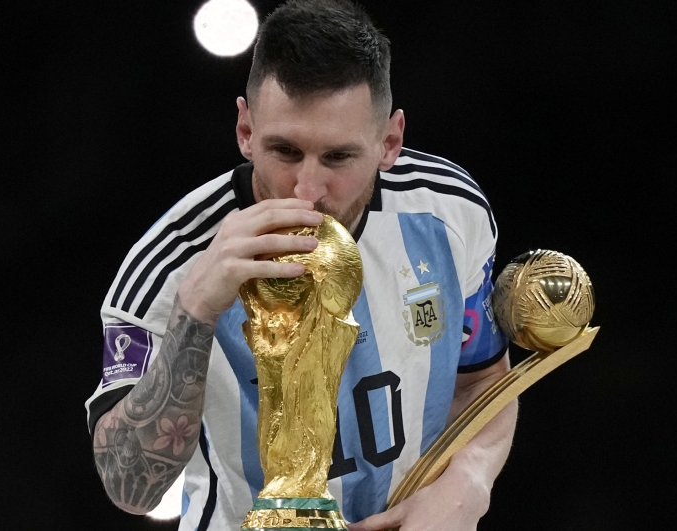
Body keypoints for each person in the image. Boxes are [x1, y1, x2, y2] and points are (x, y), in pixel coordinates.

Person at [85, 0, 517, 529]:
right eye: (285, 151)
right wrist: (195, 311)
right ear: (245, 130)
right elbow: (130, 486)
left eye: (339, 157)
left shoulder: (450, 212)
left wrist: (468, 484)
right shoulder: (170, 267)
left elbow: (481, 382)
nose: (308, 189)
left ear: (389, 142)